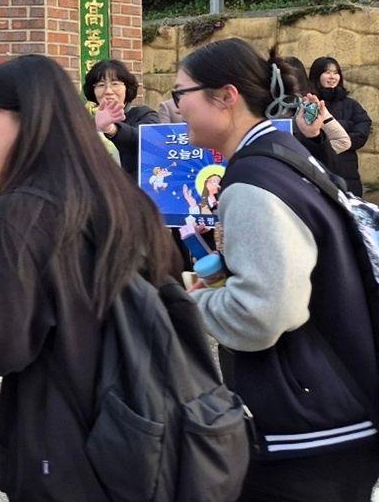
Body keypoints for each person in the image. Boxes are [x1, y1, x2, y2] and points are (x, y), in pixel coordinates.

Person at [0, 54, 179, 500]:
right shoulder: (121, 195)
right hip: (139, 434)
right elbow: (62, 266)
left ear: (28, 119)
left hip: (62, 450)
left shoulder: (23, 207)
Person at [177, 38, 379, 500]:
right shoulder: (283, 153)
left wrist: (191, 298)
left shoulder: (253, 181)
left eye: (181, 93)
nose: (177, 107)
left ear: (226, 96)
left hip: (308, 432)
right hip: (338, 409)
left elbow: (263, 313)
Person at [308, 56, 372, 196]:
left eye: (335, 72)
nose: (332, 77)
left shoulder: (351, 104)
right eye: (327, 72)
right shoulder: (310, 103)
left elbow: (363, 130)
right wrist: (347, 125)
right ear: (317, 75)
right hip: (318, 167)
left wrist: (341, 140)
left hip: (347, 170)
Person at [85, 59, 159, 179]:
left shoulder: (145, 115)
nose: (108, 91)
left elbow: (150, 142)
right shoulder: (85, 124)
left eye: (115, 84)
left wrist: (112, 129)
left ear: (127, 88)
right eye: (101, 85)